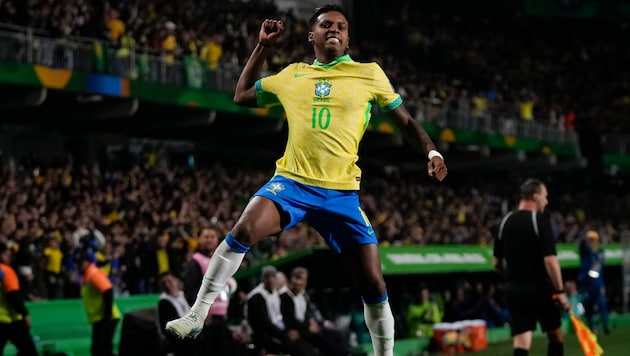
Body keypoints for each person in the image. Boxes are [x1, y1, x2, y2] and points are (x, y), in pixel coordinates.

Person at [166, 4, 448, 356]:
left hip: (342, 194)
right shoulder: (292, 75)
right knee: (242, 230)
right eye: (326, 24)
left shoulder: (369, 74)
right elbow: (241, 95)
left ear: (347, 38)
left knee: (373, 283)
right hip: (292, 184)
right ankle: (196, 314)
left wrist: (432, 152)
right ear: (310, 35)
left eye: (342, 27)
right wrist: (263, 47)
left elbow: (405, 122)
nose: (335, 30)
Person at [493, 178, 572, 356]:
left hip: (514, 289)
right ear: (536, 197)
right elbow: (550, 261)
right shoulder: (539, 221)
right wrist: (560, 291)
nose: (547, 201)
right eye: (545, 196)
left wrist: (512, 275)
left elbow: (496, 262)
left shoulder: (505, 221)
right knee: (556, 336)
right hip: (539, 288)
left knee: (522, 342)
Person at [182, 226, 243, 355]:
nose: (209, 240)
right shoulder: (196, 261)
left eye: (212, 237)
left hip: (221, 316)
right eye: (206, 237)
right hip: (207, 318)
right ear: (199, 240)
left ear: (217, 240)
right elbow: (189, 289)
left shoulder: (220, 259)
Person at [246, 265, 317, 355]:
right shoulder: (257, 296)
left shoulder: (275, 293)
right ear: (263, 279)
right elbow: (264, 323)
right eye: (267, 277)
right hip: (267, 336)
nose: (271, 280)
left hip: (280, 331)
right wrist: (284, 334)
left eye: (273, 277)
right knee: (300, 349)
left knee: (307, 347)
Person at [280, 266, 348, 356]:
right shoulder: (284, 297)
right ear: (291, 279)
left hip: (306, 328)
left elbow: (308, 314)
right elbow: (289, 320)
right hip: (296, 331)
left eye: (304, 280)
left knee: (335, 335)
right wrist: (308, 326)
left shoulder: (304, 296)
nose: (301, 283)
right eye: (298, 279)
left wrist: (313, 322)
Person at [76, 251, 121, 356]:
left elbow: (108, 291)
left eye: (80, 263)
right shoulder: (87, 275)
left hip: (105, 317)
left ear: (87, 262)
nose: (78, 266)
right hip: (99, 317)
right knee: (102, 349)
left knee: (100, 350)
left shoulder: (93, 273)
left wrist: (108, 314)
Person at [0, 241, 38, 356]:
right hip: (11, 319)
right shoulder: (6, 271)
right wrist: (24, 314)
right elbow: (13, 295)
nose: (10, 256)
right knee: (29, 352)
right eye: (7, 253)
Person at [157, 271, 198, 356]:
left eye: (169, 281)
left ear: (177, 281)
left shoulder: (185, 295)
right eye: (164, 283)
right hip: (181, 342)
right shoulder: (164, 302)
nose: (167, 285)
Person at [577, 230, 610, 334]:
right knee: (588, 307)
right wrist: (584, 238)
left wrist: (602, 285)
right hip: (586, 285)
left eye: (592, 240)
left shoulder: (600, 253)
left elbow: (600, 271)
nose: (591, 242)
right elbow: (582, 245)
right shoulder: (585, 252)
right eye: (589, 240)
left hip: (597, 284)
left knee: (602, 304)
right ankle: (591, 327)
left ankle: (606, 326)